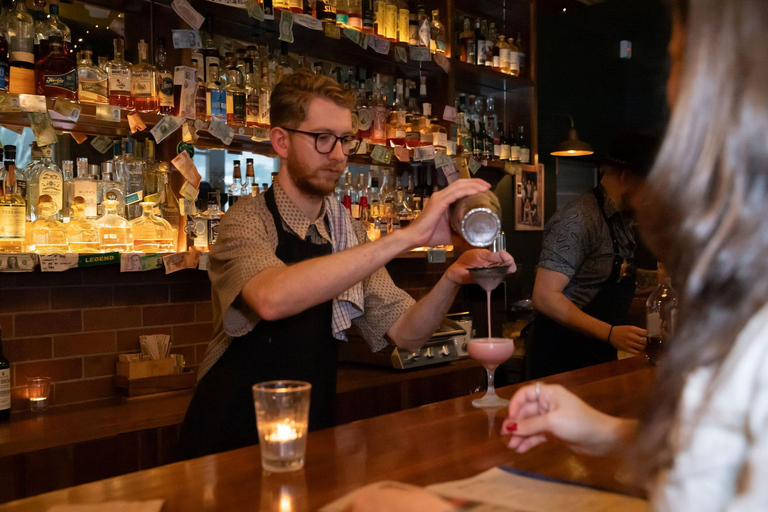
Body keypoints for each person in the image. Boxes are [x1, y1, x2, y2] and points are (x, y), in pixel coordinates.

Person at [349, 0, 768, 509]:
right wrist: (602, 430)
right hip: (560, 354)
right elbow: (720, 458)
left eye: (678, 61)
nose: (671, 95)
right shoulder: (584, 219)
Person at [179, 69, 515, 459]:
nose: (338, 155)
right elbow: (270, 299)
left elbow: (407, 333)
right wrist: (406, 235)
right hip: (229, 434)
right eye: (322, 139)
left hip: (311, 427)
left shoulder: (344, 230)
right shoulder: (247, 219)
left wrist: (453, 277)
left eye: (344, 140)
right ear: (281, 141)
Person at [524, 132, 659, 379]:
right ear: (627, 177)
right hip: (560, 358)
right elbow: (544, 296)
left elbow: (609, 278)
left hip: (595, 355)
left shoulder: (620, 221)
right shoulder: (578, 219)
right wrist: (610, 333)